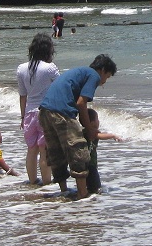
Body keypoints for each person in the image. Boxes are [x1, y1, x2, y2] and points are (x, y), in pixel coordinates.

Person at [38, 54, 117, 199]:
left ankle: (64, 191)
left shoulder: (79, 72)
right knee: (78, 152)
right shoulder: (93, 75)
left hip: (44, 111)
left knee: (56, 152)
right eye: (107, 77)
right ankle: (82, 193)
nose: (104, 82)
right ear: (103, 70)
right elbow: (81, 103)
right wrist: (90, 129)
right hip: (62, 113)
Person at [18, 33, 61, 185]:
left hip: (29, 112)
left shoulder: (21, 68)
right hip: (45, 112)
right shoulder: (50, 68)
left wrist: (22, 117)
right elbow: (61, 87)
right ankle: (47, 183)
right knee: (44, 150)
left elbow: (23, 96)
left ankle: (32, 182)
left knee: (31, 150)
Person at [83, 106, 122, 194]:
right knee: (96, 187)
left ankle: (87, 193)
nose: (98, 121)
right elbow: (101, 136)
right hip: (91, 164)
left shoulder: (83, 131)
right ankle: (93, 196)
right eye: (97, 119)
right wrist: (112, 135)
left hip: (84, 163)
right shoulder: (92, 132)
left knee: (88, 184)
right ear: (92, 122)